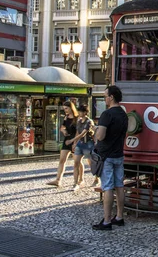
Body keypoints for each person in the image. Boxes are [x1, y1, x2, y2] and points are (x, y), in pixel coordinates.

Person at [92, 85, 128, 230]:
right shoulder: (123, 114)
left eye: (105, 96)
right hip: (119, 154)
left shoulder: (107, 114)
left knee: (107, 187)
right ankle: (119, 217)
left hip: (106, 155)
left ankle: (106, 221)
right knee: (119, 186)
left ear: (111, 97)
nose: (104, 98)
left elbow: (101, 136)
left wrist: (95, 132)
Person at [47, 101, 78, 187]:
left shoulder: (77, 118)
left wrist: (74, 142)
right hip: (67, 140)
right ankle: (58, 180)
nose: (65, 110)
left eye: (66, 108)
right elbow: (62, 127)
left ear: (71, 108)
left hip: (74, 140)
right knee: (62, 160)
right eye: (64, 109)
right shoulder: (66, 117)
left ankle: (78, 181)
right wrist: (63, 130)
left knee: (77, 162)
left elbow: (78, 131)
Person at [68, 104, 98, 190]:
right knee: (76, 162)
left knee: (91, 163)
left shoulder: (89, 121)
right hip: (80, 143)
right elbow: (78, 132)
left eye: (80, 111)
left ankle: (96, 178)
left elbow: (83, 133)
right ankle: (75, 183)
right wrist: (74, 143)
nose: (79, 113)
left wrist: (72, 140)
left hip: (88, 143)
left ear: (85, 112)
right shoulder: (79, 121)